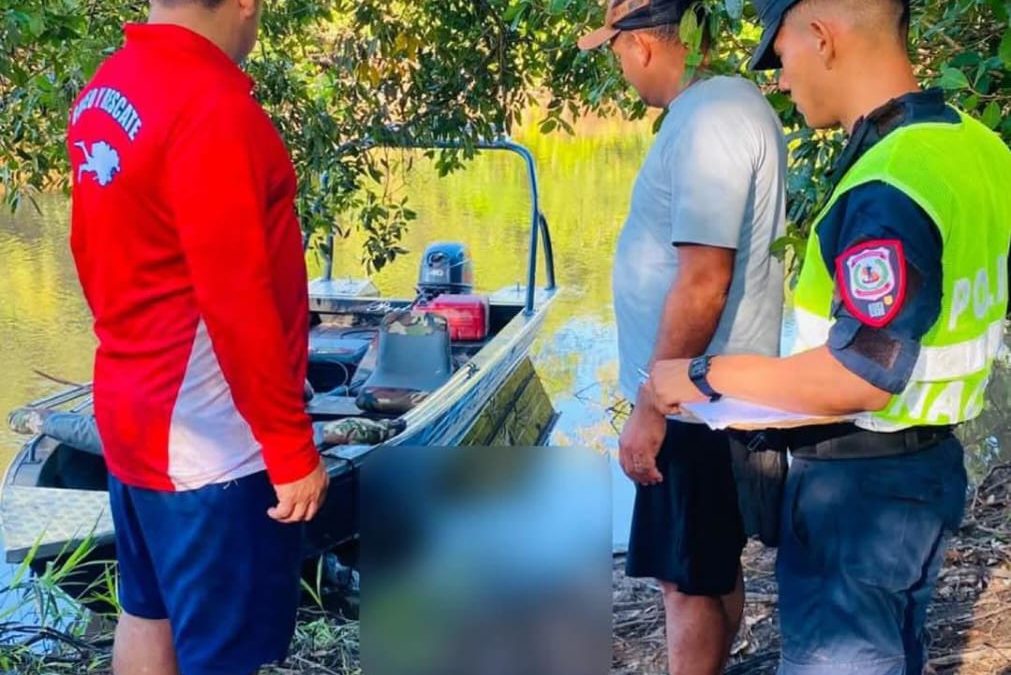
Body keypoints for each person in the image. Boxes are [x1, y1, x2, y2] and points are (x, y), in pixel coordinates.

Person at [647, 0, 1011, 672]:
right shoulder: (975, 145)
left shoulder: (888, 182)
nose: (780, 80)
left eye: (780, 55)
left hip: (858, 499)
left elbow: (862, 371)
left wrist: (702, 375)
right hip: (923, 474)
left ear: (820, 36)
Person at [66, 0, 330, 672]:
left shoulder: (106, 89)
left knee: (146, 608)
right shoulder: (213, 108)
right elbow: (237, 301)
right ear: (244, 3)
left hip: (133, 405)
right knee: (225, 653)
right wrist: (289, 445)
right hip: (211, 441)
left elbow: (89, 252)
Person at [578, 1, 788, 672]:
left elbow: (703, 280)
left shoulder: (710, 119)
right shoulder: (719, 109)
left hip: (693, 400)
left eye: (614, 53)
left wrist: (651, 406)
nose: (619, 69)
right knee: (706, 562)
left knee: (685, 578)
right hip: (701, 393)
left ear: (641, 46)